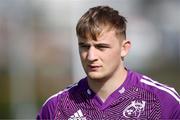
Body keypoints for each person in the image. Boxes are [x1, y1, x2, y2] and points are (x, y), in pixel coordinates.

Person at [36, 5, 180, 119]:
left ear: (124, 48)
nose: (91, 56)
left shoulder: (164, 101)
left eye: (101, 47)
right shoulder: (56, 108)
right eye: (85, 47)